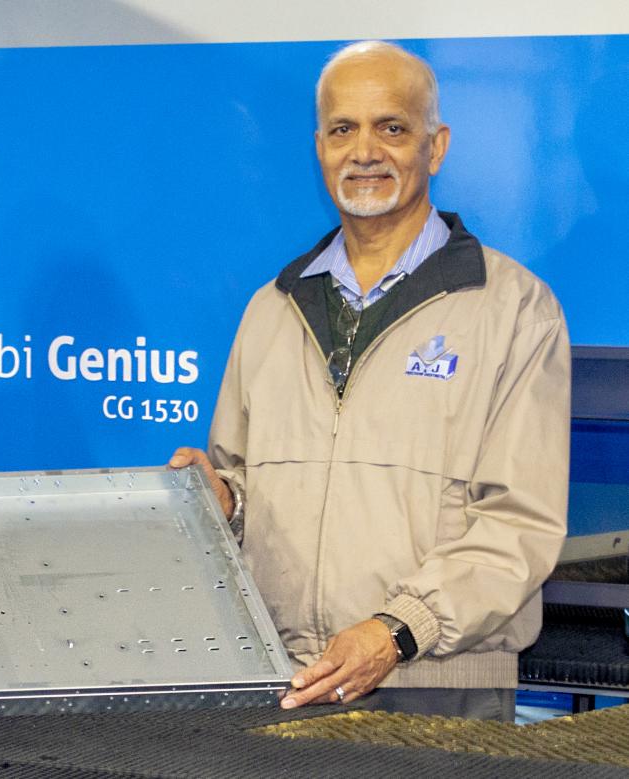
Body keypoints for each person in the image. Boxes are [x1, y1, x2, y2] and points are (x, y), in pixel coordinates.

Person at [170, 41, 569, 721]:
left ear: (435, 147)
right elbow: (244, 482)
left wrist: (398, 630)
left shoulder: (515, 310)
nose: (364, 152)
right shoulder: (272, 309)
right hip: (285, 680)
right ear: (319, 148)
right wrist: (224, 501)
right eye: (342, 129)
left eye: (391, 127)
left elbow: (519, 523)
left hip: (440, 688)